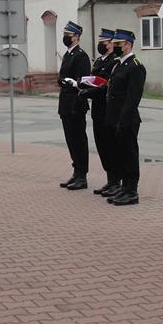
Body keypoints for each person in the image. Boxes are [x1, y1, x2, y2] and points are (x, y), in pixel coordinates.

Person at [104, 29, 146, 205]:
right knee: (120, 154)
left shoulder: (136, 67)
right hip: (114, 118)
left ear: (128, 45)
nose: (114, 47)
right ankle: (124, 187)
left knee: (129, 155)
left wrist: (123, 120)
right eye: (113, 44)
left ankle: (132, 191)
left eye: (118, 44)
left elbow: (132, 98)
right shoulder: (119, 65)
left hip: (127, 119)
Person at [81, 29, 120, 196]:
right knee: (101, 147)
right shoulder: (98, 61)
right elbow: (93, 79)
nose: (100, 45)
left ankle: (116, 181)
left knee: (111, 147)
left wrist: (89, 92)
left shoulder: (114, 61)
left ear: (111, 43)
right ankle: (110, 180)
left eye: (103, 42)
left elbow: (106, 86)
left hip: (108, 110)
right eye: (100, 42)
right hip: (97, 110)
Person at [57, 21, 92, 190]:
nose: (65, 37)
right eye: (64, 34)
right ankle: (76, 171)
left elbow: (83, 82)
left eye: (68, 35)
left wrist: (72, 83)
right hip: (65, 104)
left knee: (79, 140)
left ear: (76, 37)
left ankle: (82, 175)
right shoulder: (68, 54)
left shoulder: (81, 56)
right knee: (70, 140)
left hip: (76, 105)